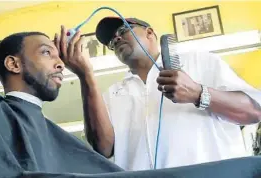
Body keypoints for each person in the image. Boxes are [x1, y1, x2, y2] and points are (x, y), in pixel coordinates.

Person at [56, 17, 261, 171]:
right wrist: (86, 76)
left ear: (150, 33)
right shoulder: (113, 94)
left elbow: (254, 111)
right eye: (111, 42)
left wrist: (199, 93)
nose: (116, 38)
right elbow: (103, 148)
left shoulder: (201, 62)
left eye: (123, 30)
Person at [0, 31, 123, 177]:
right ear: (14, 64)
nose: (61, 64)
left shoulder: (58, 137)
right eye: (46, 53)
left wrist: (86, 73)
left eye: (59, 58)